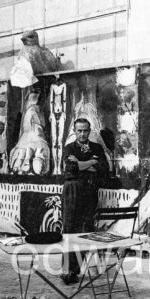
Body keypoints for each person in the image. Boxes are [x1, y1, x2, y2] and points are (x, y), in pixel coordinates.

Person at [61, 118, 108, 285]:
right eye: (79, 130)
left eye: (85, 130)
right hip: (72, 191)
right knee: (70, 228)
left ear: (90, 131)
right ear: (74, 131)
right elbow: (71, 169)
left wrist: (81, 163)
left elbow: (104, 169)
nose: (82, 134)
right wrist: (91, 162)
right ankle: (67, 270)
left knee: (86, 229)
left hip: (89, 191)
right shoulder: (69, 148)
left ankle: (77, 269)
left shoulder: (97, 148)